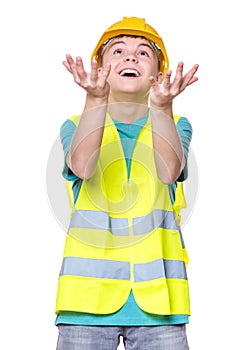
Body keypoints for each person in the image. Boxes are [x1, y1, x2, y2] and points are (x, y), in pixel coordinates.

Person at [55, 16, 199, 350]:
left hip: (161, 305)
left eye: (143, 53)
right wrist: (95, 100)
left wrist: (162, 106)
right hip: (85, 305)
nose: (130, 58)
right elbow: (82, 165)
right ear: (100, 68)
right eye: (118, 51)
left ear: (157, 74)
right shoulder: (74, 125)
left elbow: (169, 172)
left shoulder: (178, 124)